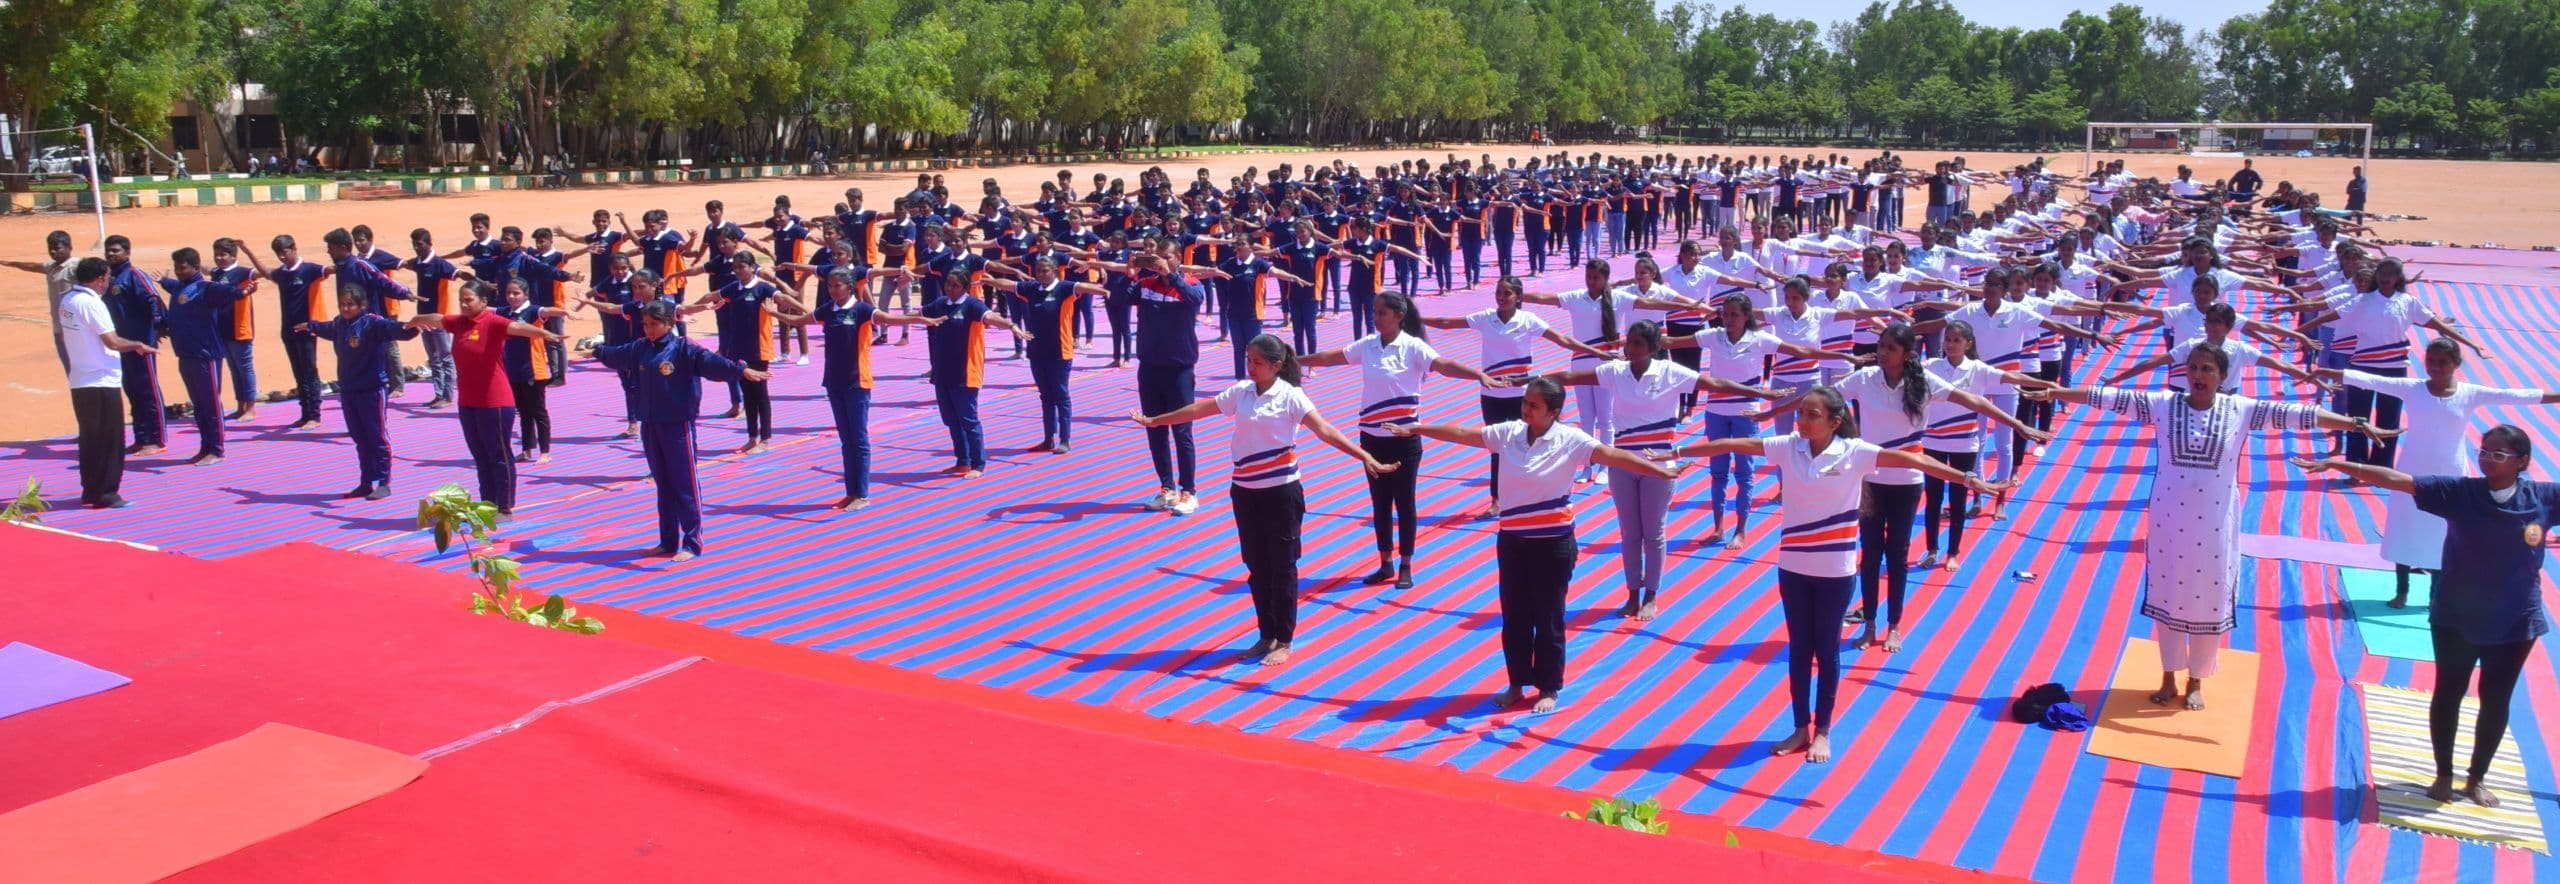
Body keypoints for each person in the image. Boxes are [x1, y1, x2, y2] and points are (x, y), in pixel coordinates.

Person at [2027, 346, 2386, 710]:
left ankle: (2195, 680)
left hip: (2214, 524)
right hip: (2169, 519)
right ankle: (2167, 676)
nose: (2198, 375)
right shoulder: (2164, 405)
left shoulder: (2241, 410)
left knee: (2206, 597)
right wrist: (2056, 392)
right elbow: (2110, 398)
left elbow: (2297, 415)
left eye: (2207, 369)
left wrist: (2354, 424)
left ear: (2223, 376)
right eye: (2193, 368)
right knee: (2168, 594)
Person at [1656, 386, 1999, 762]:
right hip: (1793, 567)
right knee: (1799, 650)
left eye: (1811, 415)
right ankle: (1800, 726)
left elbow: (1914, 461)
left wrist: (1968, 480)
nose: (1801, 420)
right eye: (1801, 413)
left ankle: (1823, 731)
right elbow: (1732, 443)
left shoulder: (1855, 452)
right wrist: (1677, 451)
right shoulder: (1789, 446)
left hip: (1836, 571)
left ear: (1835, 422)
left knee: (1827, 650)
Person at [2293, 426, 2551, 808]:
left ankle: (2476, 779)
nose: (2487, 458)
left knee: (2496, 699)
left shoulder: (2544, 497)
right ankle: (2443, 775)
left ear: (2522, 462)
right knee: (2449, 691)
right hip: (2456, 616)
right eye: (2484, 451)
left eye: (2499, 454)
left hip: (2516, 621)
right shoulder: (2461, 493)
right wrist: (2340, 463)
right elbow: (2399, 480)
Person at [1393, 377, 1677, 711]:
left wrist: (1659, 471)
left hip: (1553, 543)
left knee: (1549, 616)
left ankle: (1548, 687)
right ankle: (1516, 683)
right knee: (1514, 616)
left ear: (1554, 412)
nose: (1525, 408)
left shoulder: (1570, 439)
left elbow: (1612, 454)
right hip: (1512, 541)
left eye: (1534, 405)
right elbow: (1463, 434)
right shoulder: (1509, 433)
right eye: (1525, 402)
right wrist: (1419, 428)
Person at [1133, 335, 1395, 665]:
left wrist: (1364, 456)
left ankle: (1284, 639)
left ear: (1276, 365)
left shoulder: (1291, 396)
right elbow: (1201, 408)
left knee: (1282, 567)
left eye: (1257, 362)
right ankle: (1265, 634)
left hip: (1281, 493)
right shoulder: (1241, 392)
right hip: (1244, 491)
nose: (1251, 367)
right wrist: (1157, 420)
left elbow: (1325, 430)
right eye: (1248, 360)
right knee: (1256, 567)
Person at [1819, 324, 2047, 651]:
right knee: (1869, 555)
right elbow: (1824, 397)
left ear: (1908, 354)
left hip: (1907, 482)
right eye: (1881, 346)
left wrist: (2018, 424)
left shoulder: (1924, 382)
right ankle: (1869, 622)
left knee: (1897, 556)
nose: (1883, 353)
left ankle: (1894, 624)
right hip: (1869, 481)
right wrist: (1772, 402)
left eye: (1891, 348)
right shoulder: (1864, 378)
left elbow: (1973, 401)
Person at [1548, 320, 1787, 619]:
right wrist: (1530, 380)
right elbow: (1573, 376)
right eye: (1628, 342)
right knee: (1630, 533)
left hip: (1659, 463)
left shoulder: (1670, 373)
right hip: (1622, 461)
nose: (1629, 348)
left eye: (1636, 343)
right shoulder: (1615, 371)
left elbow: (1714, 384)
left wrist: (1762, 394)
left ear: (1653, 348)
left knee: (1654, 533)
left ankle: (1651, 594)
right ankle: (1632, 594)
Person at [2310, 340, 2560, 606]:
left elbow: (2516, 396)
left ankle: (2434, 595)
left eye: (2443, 362)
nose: (2435, 367)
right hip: (2411, 471)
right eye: (2431, 361)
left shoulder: (2471, 392)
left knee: (2444, 534)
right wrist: (2329, 372)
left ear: (2456, 364)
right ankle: (2402, 591)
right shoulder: (2413, 388)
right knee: (2405, 529)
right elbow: (2372, 380)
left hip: (2452, 475)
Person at [1300, 292, 1506, 590]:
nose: (1376, 317)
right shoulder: (1368, 346)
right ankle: (1385, 563)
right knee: (1379, 503)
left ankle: (1406, 564)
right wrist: (1296, 359)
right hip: (1371, 437)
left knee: (1404, 503)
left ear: (1398, 315)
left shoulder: (1412, 346)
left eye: (1382, 312)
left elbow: (1443, 364)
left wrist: (1476, 374)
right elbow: (1331, 357)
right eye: (1374, 311)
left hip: (1405, 437)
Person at [1662, 295, 1863, 542]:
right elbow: (1673, 342)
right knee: (1718, 472)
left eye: (1735, 314)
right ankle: (1718, 528)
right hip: (1716, 412)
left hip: (1747, 413)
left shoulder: (1759, 339)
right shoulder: (1713, 336)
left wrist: (1847, 358)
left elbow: (1800, 350)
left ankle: (1740, 530)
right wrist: (1633, 343)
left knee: (1745, 473)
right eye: (1725, 314)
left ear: (1747, 316)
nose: (1729, 319)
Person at [592, 300, 769, 561]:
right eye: (646, 325)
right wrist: (596, 350)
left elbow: (713, 364)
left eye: (654, 325)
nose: (649, 330)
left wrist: (742, 370)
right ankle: (667, 542)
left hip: (678, 426)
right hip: (651, 424)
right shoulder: (640, 348)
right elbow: (616, 355)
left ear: (669, 324)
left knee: (684, 483)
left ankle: (692, 541)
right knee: (663, 484)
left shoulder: (684, 348)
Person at [1418, 276, 1608, 515]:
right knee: (1497, 448)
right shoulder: (1486, 317)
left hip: (1522, 397)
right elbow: (1447, 322)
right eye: (1498, 292)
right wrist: (1417, 318)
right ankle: (1497, 500)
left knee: (1530, 444)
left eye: (1507, 293)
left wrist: (1596, 351)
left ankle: (1531, 494)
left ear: (1518, 297)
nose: (1501, 297)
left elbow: (1563, 340)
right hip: (1492, 395)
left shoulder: (1527, 320)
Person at [786, 266, 937, 510]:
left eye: (838, 285)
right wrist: (774, 313)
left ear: (849, 286)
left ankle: (862, 494)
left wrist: (920, 319)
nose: (833, 290)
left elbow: (890, 319)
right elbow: (798, 320)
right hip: (833, 383)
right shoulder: (828, 310)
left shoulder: (862, 310)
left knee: (859, 439)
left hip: (857, 383)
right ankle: (851, 492)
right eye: (830, 286)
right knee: (846, 441)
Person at [407, 281, 562, 517]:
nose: (464, 304)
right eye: (462, 299)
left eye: (469, 299)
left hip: (495, 402)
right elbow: (438, 317)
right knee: (480, 455)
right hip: (468, 402)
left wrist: (544, 333)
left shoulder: (492, 322)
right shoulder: (458, 323)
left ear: (484, 302)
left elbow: (519, 328)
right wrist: (417, 319)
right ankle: (487, 504)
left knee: (498, 454)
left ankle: (504, 506)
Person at [299, 288, 423, 498]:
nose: (346, 308)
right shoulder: (340, 323)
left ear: (362, 305)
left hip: (372, 390)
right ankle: (366, 482)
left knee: (378, 437)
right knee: (360, 438)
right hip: (349, 391)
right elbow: (326, 328)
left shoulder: (372, 323)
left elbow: (395, 329)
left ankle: (384, 482)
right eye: (343, 304)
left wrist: (410, 327)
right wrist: (310, 326)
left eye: (350, 304)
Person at [58, 258, 155, 508]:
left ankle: (90, 490)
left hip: (81, 380)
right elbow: (112, 341)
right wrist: (137, 345)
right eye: (107, 277)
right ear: (100, 278)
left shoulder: (67, 300)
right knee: (110, 440)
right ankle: (107, 493)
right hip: (101, 379)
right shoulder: (91, 304)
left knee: (90, 439)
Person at [999, 257, 1112, 454]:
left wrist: (1103, 291)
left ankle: (1065, 439)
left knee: (1061, 395)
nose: (1041, 274)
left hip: (1060, 352)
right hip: (1036, 352)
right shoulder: (1031, 289)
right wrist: (986, 281)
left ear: (1054, 272)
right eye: (1038, 270)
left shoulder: (1064, 288)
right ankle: (1048, 438)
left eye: (1045, 270)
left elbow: (1083, 286)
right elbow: (1009, 285)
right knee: (1045, 396)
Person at [156, 247, 256, 465]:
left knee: (210, 404)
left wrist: (243, 292)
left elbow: (229, 292)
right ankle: (205, 447)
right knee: (199, 405)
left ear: (195, 266)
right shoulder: (182, 287)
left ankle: (216, 450)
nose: (179, 272)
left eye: (182, 268)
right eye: (176, 268)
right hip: (185, 354)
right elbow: (174, 293)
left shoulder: (205, 287)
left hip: (205, 355)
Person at [918, 269, 1018, 477]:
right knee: (951, 420)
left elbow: (990, 317)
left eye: (955, 285)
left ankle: (978, 464)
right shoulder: (940, 304)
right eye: (948, 284)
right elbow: (919, 314)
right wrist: (888, 318)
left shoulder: (972, 305)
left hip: (965, 373)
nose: (950, 289)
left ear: (964, 287)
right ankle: (962, 460)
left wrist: (1010, 325)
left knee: (969, 420)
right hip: (943, 373)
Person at [102, 236, 167, 456]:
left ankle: (157, 440)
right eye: (108, 251)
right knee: (132, 391)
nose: (110, 254)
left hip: (141, 345)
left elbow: (154, 300)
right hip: (122, 346)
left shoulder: (135, 275)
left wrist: (157, 328)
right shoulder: (109, 279)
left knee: (148, 391)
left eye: (115, 251)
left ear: (127, 252)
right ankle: (141, 437)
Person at [497, 278, 572, 464]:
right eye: (509, 293)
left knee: (538, 412)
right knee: (523, 413)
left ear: (526, 295)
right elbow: (488, 312)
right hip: (513, 370)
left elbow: (546, 310)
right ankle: (526, 449)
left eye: (516, 293)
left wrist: (565, 311)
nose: (512, 297)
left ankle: (545, 451)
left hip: (533, 370)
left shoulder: (531, 311)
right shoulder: (505, 312)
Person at [1, 230, 78, 373]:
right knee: (71, 371)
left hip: (76, 328)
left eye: (58, 248)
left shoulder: (76, 267)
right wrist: (7, 262)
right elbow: (32, 266)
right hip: (59, 328)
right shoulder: (52, 267)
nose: (53, 252)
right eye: (51, 249)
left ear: (69, 247)